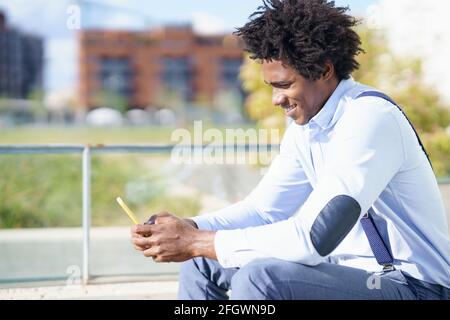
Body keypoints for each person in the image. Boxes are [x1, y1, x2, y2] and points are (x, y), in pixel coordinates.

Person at [131, 0, 450, 300]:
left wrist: (197, 241)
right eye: (272, 87)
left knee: (259, 277)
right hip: (348, 274)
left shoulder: (370, 119)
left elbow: (313, 240)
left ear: (324, 71)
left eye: (285, 85)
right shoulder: (307, 125)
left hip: (413, 285)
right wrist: (190, 228)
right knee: (200, 262)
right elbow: (263, 211)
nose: (276, 99)